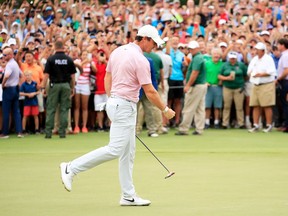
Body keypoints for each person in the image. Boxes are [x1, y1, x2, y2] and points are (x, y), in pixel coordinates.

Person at [59, 25, 175, 206]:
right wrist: (165, 109)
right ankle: (71, 168)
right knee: (116, 149)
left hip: (118, 103)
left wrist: (112, 100)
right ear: (144, 39)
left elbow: (108, 77)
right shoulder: (141, 60)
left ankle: (128, 195)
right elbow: (150, 91)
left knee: (128, 152)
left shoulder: (118, 51)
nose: (155, 47)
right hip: (124, 106)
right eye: (153, 43)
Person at [41, 37, 76, 138]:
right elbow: (73, 76)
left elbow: (46, 75)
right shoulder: (69, 59)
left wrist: (43, 87)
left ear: (55, 47)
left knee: (51, 108)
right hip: (66, 85)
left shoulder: (51, 59)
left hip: (54, 85)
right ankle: (62, 132)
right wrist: (72, 87)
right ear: (63, 47)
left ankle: (48, 133)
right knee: (64, 109)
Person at [175, 41, 207, 135]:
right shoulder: (198, 57)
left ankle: (184, 129)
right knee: (199, 108)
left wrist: (188, 85)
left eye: (192, 48)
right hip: (201, 85)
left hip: (196, 86)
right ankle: (199, 129)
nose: (191, 50)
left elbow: (195, 72)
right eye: (190, 48)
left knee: (189, 107)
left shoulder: (197, 58)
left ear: (197, 48)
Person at [247, 42, 276, 133]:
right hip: (255, 84)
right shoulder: (254, 59)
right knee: (255, 105)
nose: (255, 51)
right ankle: (256, 125)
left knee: (267, 105)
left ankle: (269, 125)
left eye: (257, 50)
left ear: (263, 51)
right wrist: (253, 74)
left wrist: (261, 74)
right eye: (255, 49)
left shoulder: (268, 59)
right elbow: (249, 71)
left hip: (266, 84)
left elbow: (271, 71)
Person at [218, 51, 248, 129]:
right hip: (227, 87)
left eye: (234, 58)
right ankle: (225, 123)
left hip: (238, 88)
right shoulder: (224, 65)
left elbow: (245, 75)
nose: (232, 60)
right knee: (226, 106)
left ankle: (241, 123)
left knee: (239, 107)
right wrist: (226, 78)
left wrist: (241, 82)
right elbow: (219, 76)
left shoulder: (241, 65)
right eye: (231, 58)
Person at [0, 47, 23, 138]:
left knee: (6, 111)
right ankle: (19, 132)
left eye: (5, 55)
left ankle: (5, 132)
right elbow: (21, 75)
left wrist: (3, 84)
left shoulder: (9, 64)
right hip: (15, 88)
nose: (3, 57)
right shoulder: (15, 64)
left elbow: (6, 75)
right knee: (16, 111)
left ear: (10, 55)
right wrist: (19, 84)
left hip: (8, 89)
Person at [204, 47, 223, 129]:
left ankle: (216, 122)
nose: (216, 55)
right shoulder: (207, 63)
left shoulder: (222, 64)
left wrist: (222, 81)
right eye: (215, 54)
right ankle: (206, 122)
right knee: (207, 106)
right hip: (208, 87)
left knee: (217, 106)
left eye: (218, 54)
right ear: (211, 54)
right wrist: (205, 82)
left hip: (218, 86)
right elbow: (202, 74)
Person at [276, 38, 288, 133]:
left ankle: (287, 125)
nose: (277, 46)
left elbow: (286, 70)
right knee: (284, 103)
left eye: (279, 44)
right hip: (284, 81)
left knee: (286, 103)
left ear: (282, 45)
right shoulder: (284, 55)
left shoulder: (286, 56)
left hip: (285, 81)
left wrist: (278, 79)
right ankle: (285, 124)